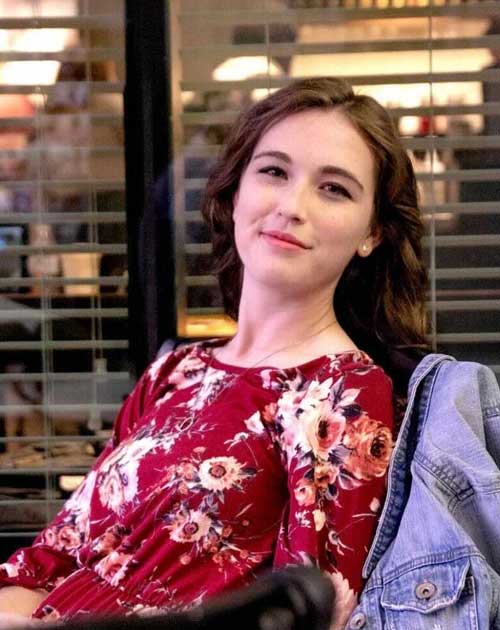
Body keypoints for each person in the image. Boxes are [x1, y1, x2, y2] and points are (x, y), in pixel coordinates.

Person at [0, 77, 427, 629]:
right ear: (235, 193)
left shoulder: (343, 396)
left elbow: (310, 613)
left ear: (372, 233)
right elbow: (50, 561)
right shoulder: (177, 370)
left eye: (334, 189)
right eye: (274, 172)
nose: (291, 206)